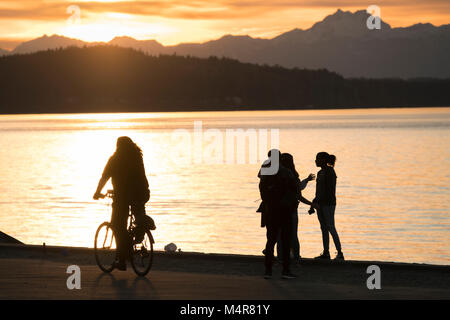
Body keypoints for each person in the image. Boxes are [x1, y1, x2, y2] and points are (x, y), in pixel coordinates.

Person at [93, 136, 150, 270]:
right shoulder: (137, 156)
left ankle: (122, 259)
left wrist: (97, 192)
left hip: (122, 196)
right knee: (139, 218)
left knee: (118, 226)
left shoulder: (115, 159)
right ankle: (139, 236)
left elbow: (104, 177)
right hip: (141, 193)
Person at [258, 149, 298, 279]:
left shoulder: (265, 169)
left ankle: (267, 271)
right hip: (284, 210)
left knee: (271, 240)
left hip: (270, 209)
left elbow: (261, 185)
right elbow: (294, 189)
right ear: (280, 158)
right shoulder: (285, 171)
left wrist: (267, 201)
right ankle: (285, 270)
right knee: (285, 240)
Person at [276, 153, 315, 262]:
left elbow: (298, 189)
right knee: (293, 235)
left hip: (278, 210)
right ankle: (296, 257)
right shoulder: (293, 176)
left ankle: (280, 258)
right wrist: (312, 204)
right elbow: (298, 194)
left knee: (280, 236)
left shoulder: (276, 176)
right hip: (291, 210)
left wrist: (306, 180)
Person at [311, 152, 344, 260]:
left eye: (318, 159)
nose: (315, 161)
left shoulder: (330, 172)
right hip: (320, 203)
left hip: (328, 203)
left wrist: (319, 200)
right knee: (323, 228)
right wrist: (314, 202)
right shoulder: (320, 172)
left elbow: (328, 190)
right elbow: (319, 190)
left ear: (324, 160)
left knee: (330, 226)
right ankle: (326, 252)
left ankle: (339, 253)